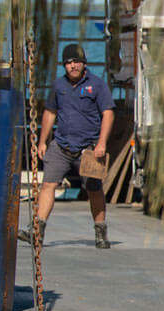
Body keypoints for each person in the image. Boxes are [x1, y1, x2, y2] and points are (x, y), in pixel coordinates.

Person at [30, 43, 115, 248]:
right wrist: (42, 142)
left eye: (76, 61)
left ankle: (100, 232)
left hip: (89, 148)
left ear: (84, 63)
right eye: (68, 63)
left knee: (94, 189)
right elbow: (50, 113)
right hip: (61, 146)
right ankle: (37, 232)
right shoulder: (59, 86)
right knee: (48, 185)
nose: (73, 66)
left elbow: (108, 113)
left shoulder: (97, 85)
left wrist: (102, 143)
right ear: (64, 66)